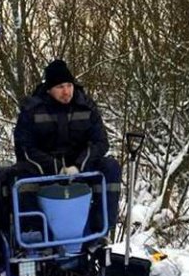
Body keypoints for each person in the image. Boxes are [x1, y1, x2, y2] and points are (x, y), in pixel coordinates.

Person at [12, 59, 121, 230]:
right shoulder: (32, 110)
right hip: (44, 170)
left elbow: (100, 142)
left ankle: (101, 229)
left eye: (69, 85)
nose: (66, 92)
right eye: (60, 87)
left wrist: (79, 166)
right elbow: (24, 148)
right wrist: (56, 168)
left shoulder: (86, 106)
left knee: (110, 166)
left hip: (80, 167)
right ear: (49, 89)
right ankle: (35, 232)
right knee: (21, 175)